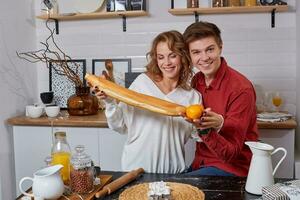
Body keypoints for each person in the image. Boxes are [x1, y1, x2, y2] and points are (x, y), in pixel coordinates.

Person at [92, 30, 202, 174]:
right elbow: (120, 126)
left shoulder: (192, 97)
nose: (167, 63)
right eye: (161, 57)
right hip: (136, 171)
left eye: (173, 56)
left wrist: (204, 124)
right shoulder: (142, 84)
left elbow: (198, 134)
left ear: (183, 57)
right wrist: (110, 102)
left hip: (175, 174)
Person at [182, 21, 259, 177]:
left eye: (210, 49)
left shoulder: (241, 89)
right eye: (196, 52)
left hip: (233, 169)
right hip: (201, 162)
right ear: (189, 55)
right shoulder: (197, 80)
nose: (204, 58)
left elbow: (231, 154)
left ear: (220, 47)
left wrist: (211, 127)